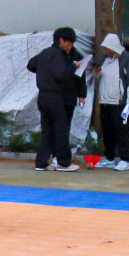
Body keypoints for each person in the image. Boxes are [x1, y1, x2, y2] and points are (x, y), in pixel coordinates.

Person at [27, 27, 85, 171]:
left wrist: (43, 72)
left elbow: (31, 65)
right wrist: (73, 66)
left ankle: (41, 162)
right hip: (57, 97)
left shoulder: (45, 53)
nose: (71, 45)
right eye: (68, 42)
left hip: (43, 97)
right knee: (61, 130)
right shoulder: (59, 55)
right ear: (61, 40)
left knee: (48, 130)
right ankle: (63, 162)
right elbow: (60, 75)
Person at [95, 32, 129, 171]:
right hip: (105, 101)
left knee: (121, 131)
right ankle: (109, 158)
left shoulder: (126, 58)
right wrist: (97, 73)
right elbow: (99, 78)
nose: (106, 51)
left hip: (120, 103)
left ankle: (125, 159)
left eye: (108, 48)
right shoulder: (105, 59)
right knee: (107, 131)